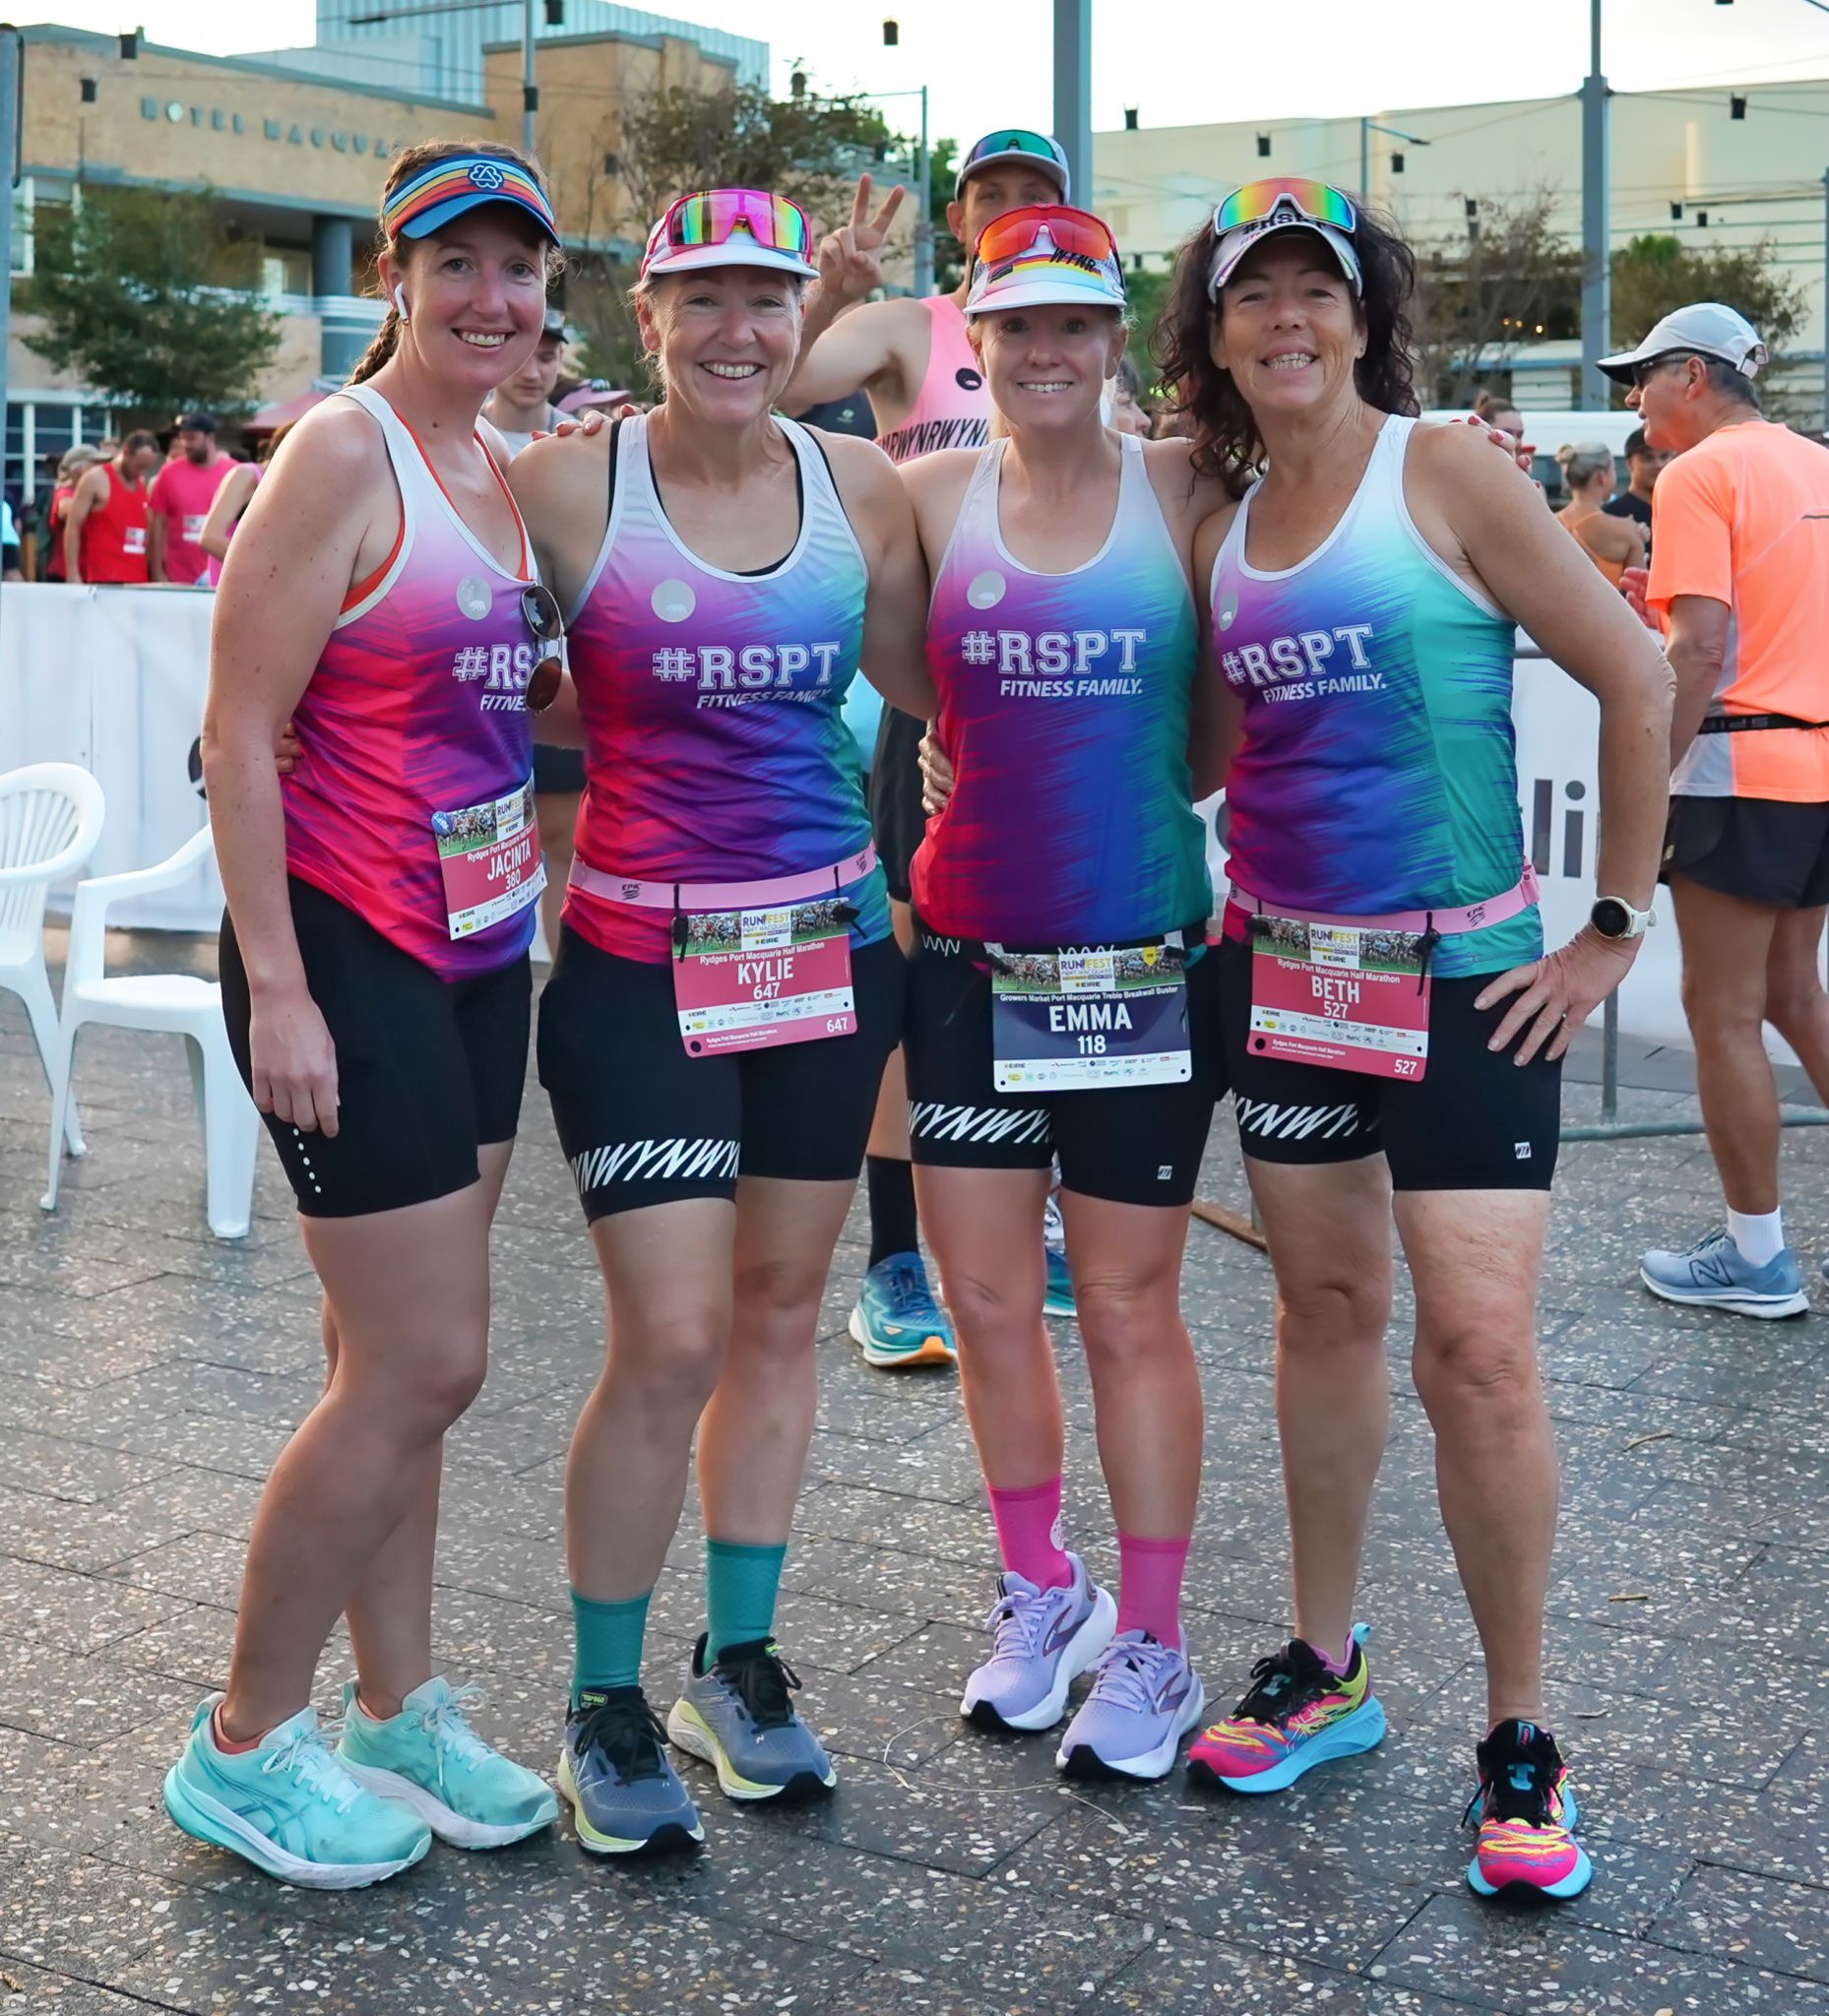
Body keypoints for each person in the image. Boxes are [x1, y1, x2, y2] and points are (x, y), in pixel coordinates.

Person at [1151, 180, 1671, 1902]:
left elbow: (1631, 668)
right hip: (1286, 977)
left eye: (1314, 291)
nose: (1283, 320)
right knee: (1321, 1312)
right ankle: (1326, 1661)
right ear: (1214, 334)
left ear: (1362, 315)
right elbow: (1220, 755)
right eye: (1251, 299)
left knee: (1474, 1356)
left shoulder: (1440, 469)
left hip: (1465, 982)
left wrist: (1609, 926)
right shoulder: (1222, 519)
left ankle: (1520, 1729)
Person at [506, 188, 934, 1855]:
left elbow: (929, 687)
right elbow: (444, 647)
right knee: (669, 1336)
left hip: (828, 963)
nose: (737, 329)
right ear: (647, 319)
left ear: (796, 319)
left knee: (772, 1318)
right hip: (636, 967)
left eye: (766, 300)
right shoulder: (562, 487)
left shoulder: (861, 487)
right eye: (703, 299)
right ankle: (600, 1693)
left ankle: (732, 1663)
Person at [161, 140, 569, 1889]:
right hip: (345, 950)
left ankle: (397, 1706)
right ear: (394, 279)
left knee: (393, 1368)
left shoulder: (502, 464)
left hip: (485, 958)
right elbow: (236, 732)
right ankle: (245, 1741)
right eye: (455, 265)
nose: (491, 299)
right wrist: (276, 986)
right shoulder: (342, 449)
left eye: (519, 270)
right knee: (425, 1359)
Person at [900, 203, 1229, 1780]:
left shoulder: (1184, 488)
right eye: (1015, 325)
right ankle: (1042, 1591)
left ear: (1113, 343)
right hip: (968, 958)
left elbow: (1225, 714)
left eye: (1073, 325)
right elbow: (907, 673)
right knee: (979, 1301)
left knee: (1121, 1304)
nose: (1043, 352)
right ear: (976, 336)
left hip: (1140, 961)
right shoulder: (921, 499)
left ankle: (1152, 1643)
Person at [784, 130, 1077, 1367]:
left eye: (1035, 197)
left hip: (1056, 706)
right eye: (990, 197)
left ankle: (1040, 1211)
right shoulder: (910, 330)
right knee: (911, 965)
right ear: (960, 220)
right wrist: (837, 287)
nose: (1010, 212)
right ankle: (895, 1261)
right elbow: (768, 377)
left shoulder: (1078, 345)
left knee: (1052, 958)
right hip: (920, 690)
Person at [1605, 305, 1829, 1316]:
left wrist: (1654, 766)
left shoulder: (1697, 474)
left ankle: (1757, 1257)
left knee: (1722, 1011)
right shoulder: (1813, 461)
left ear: (1689, 375)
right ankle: (1755, 1249)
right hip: (1815, 762)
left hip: (1740, 766)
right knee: (1795, 994)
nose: (1632, 398)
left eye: (1640, 377)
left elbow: (1697, 648)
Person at [483, 306, 581, 958]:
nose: (534, 370)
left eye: (549, 357)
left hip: (558, 679)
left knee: (560, 842)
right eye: (526, 354)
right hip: (481, 682)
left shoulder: (583, 443)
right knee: (490, 839)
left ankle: (560, 979)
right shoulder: (464, 441)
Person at [149, 412, 236, 586]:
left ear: (209, 437)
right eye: (182, 438)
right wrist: (157, 572)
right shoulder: (169, 473)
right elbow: (157, 524)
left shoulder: (234, 472)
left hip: (220, 578)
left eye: (191, 438)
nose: (185, 444)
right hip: (178, 579)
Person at [64, 430, 158, 584]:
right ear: (126, 452)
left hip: (137, 580)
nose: (141, 472)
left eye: (146, 468)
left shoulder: (140, 485)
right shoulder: (96, 478)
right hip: (104, 579)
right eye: (139, 466)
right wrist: (73, 573)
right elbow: (73, 526)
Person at [197, 424, 295, 566]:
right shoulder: (247, 474)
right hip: (238, 581)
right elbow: (210, 537)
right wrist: (259, 570)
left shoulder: (287, 486)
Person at [1554, 440, 1643, 585]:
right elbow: (1638, 591)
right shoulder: (1627, 531)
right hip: (1610, 607)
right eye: (1614, 468)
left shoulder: (1550, 524)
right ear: (1602, 476)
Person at [484, 303, 568, 454]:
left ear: (560, 357)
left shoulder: (577, 442)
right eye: (518, 357)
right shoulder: (455, 434)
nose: (531, 374)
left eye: (545, 359)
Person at [1603, 425, 1669, 564]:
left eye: (1664, 456)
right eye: (1647, 458)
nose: (1658, 464)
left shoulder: (1678, 511)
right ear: (1630, 464)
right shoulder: (1611, 515)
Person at [41, 445, 103, 581]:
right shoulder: (65, 491)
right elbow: (64, 509)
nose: (101, 470)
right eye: (96, 465)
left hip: (89, 571)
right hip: (64, 574)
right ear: (80, 469)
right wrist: (98, 505)